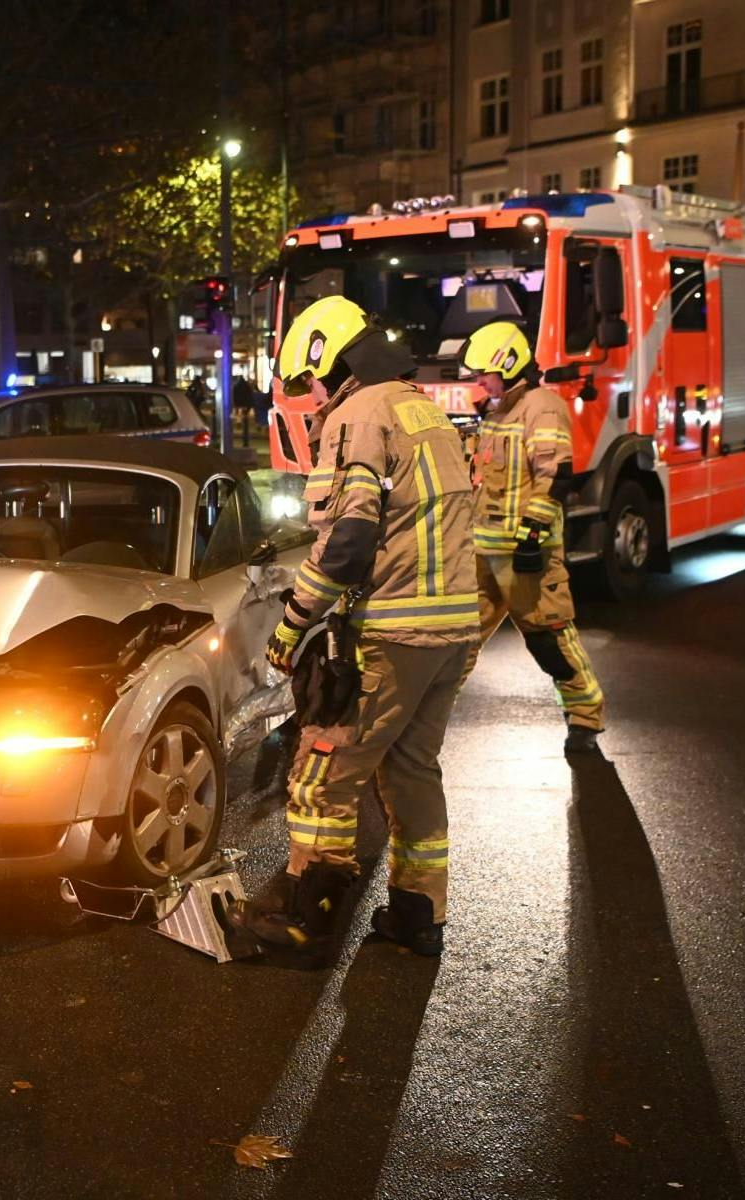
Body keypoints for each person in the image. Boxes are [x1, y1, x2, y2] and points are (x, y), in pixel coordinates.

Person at [235, 296, 481, 960]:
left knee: (323, 773)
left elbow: (347, 539)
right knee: (411, 773)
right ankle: (417, 915)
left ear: (331, 358)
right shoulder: (422, 408)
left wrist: (291, 626)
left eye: (310, 380)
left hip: (395, 632)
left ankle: (306, 925)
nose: (311, 395)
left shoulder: (358, 415)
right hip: (454, 629)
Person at [458, 321, 605, 754]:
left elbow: (555, 475)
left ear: (508, 364)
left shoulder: (542, 406)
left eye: (483, 373)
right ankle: (425, 719)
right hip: (483, 553)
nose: (478, 382)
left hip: (527, 556)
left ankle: (584, 718)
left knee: (551, 640)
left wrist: (532, 535)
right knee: (457, 640)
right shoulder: (496, 410)